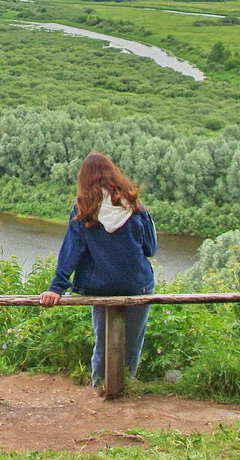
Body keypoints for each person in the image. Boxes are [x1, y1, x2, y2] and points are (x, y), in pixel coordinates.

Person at [39, 152, 157, 389]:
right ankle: (125, 388)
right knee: (132, 343)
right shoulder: (135, 207)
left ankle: (99, 387)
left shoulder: (84, 210)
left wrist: (56, 288)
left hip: (100, 285)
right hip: (138, 285)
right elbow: (150, 248)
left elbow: (71, 252)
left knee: (102, 343)